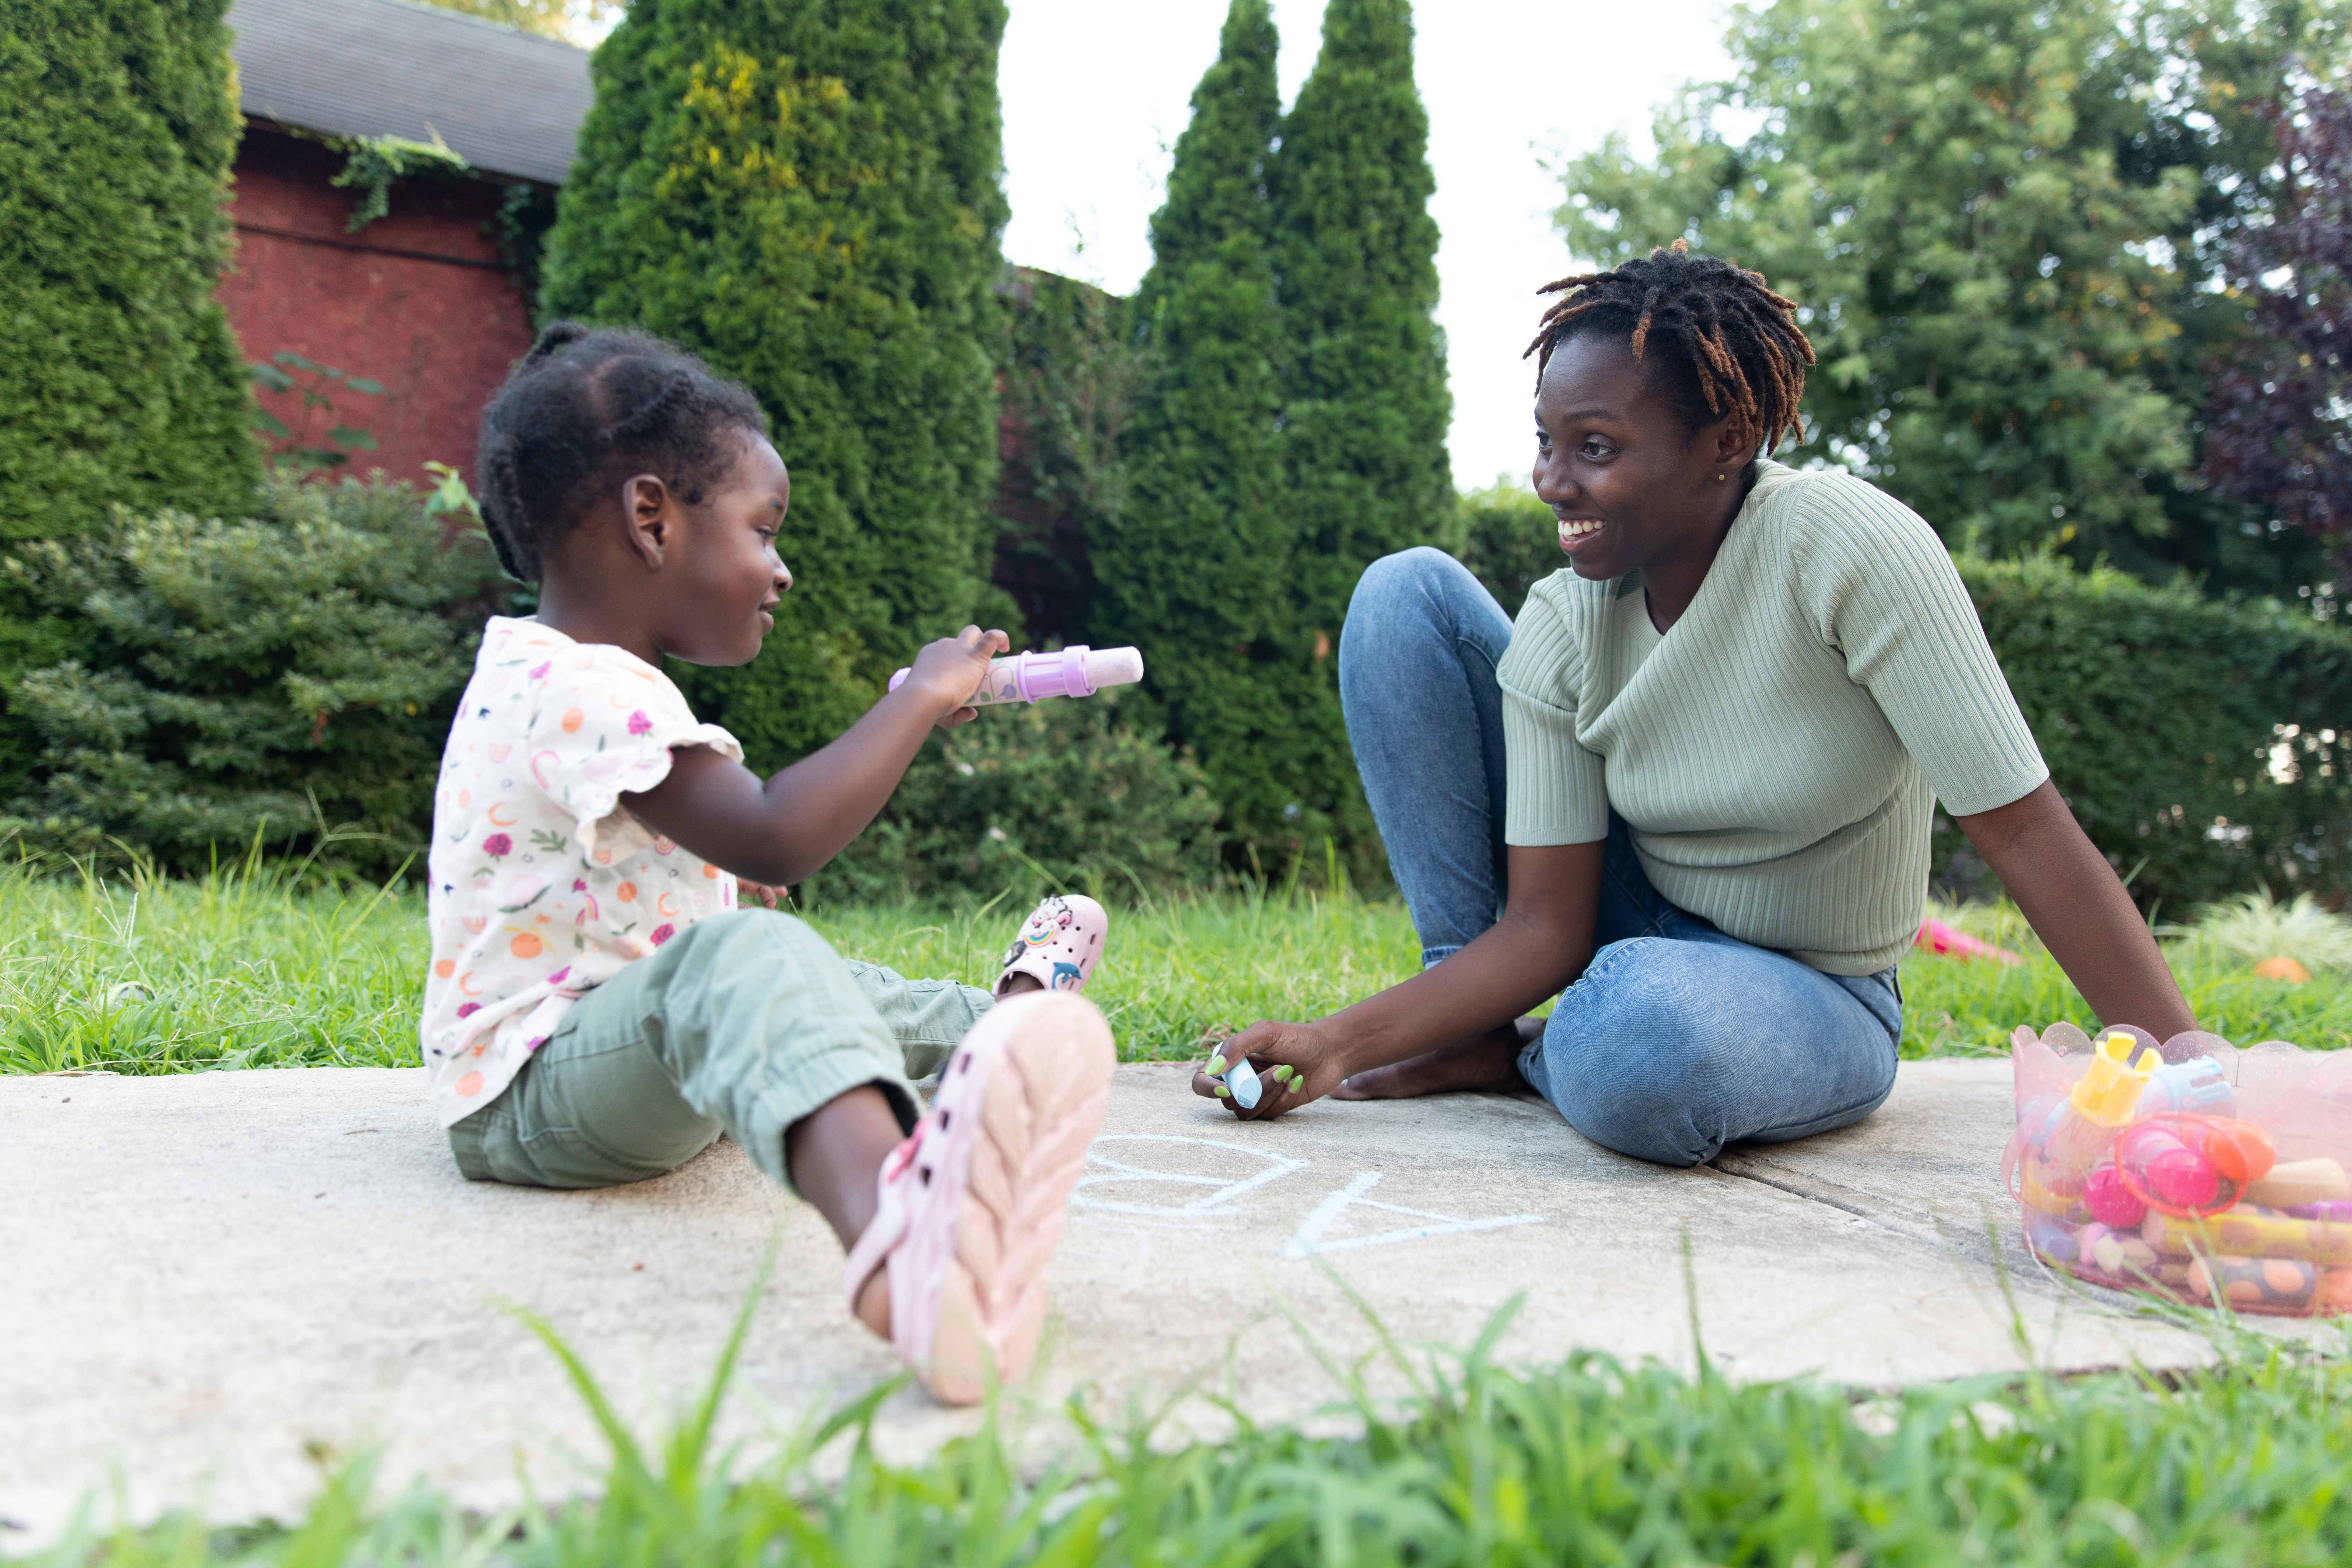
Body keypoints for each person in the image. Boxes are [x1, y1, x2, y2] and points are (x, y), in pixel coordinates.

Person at [1194, 242, 2195, 1166]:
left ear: (1728, 438)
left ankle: (1554, 1044)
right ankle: (1474, 1036)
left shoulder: (1846, 550)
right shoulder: (1566, 615)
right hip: (1628, 919)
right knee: (1405, 593)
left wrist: (2189, 1077)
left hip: (1813, 990)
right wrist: (1334, 1044)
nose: (1551, 482)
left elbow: (2022, 831)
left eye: (1596, 447)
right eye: (1546, 441)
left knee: (1637, 1042)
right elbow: (1546, 927)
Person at [423, 323, 1116, 1404]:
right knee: (754, 962)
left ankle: (1008, 1031)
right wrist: (919, 700)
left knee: (828, 984)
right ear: (653, 518)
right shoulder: (575, 685)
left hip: (634, 1058)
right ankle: (901, 1235)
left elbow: (683, 859)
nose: (781, 569)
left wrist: (723, 882)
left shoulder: (577, 681)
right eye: (764, 528)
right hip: (532, 1093)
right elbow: (777, 830)